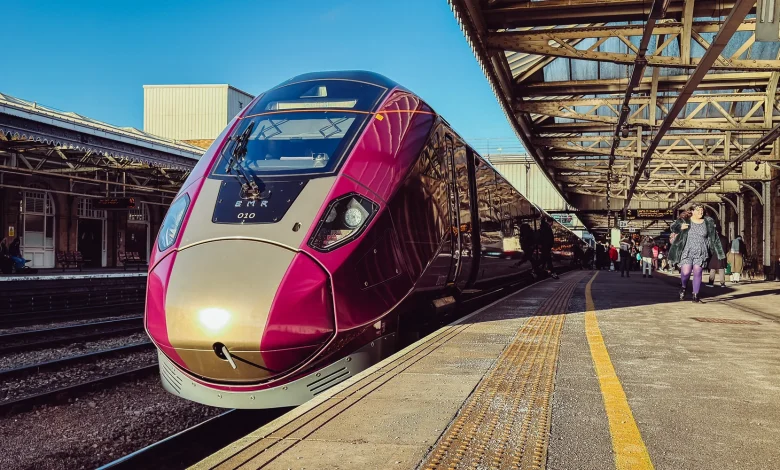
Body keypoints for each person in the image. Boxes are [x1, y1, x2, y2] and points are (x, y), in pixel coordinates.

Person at [668, 203, 725, 302]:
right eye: (698, 210)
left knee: (698, 271)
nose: (700, 212)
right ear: (692, 211)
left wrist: (720, 253)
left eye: (702, 210)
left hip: (701, 251)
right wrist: (680, 227)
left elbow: (714, 238)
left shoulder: (708, 222)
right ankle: (683, 287)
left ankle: (695, 294)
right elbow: (673, 227)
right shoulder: (685, 220)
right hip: (686, 250)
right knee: (686, 271)